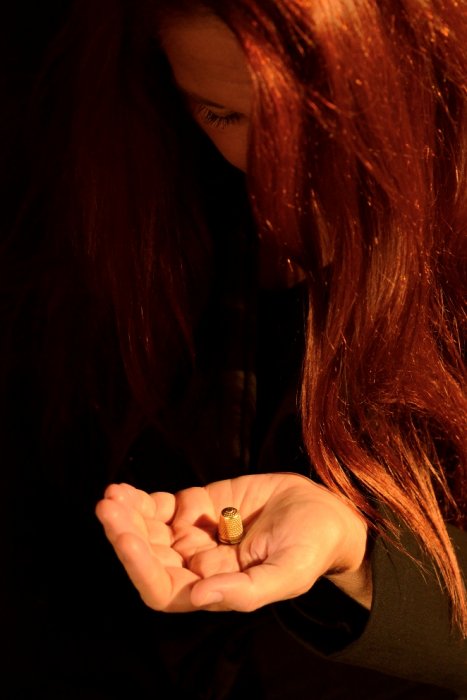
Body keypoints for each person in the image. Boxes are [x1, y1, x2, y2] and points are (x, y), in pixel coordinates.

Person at [1, 0, 466, 697]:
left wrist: (359, 556)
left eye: (317, 122)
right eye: (222, 115)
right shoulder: (121, 191)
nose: (276, 174)